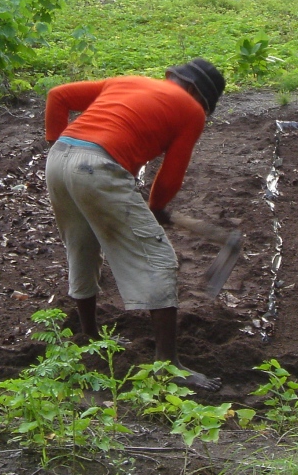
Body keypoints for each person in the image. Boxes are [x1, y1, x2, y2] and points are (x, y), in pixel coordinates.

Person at [44, 59, 226, 391]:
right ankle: (169, 365)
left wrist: (56, 142)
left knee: (81, 247)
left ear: (172, 76)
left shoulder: (127, 81)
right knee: (158, 260)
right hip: (98, 167)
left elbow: (58, 95)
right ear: (197, 93)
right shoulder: (191, 111)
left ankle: (90, 339)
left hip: (58, 160)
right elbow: (170, 176)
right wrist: (156, 208)